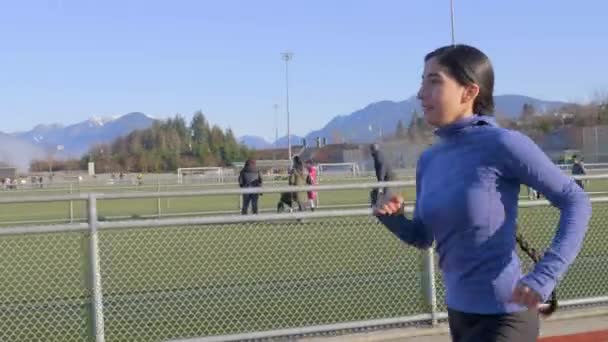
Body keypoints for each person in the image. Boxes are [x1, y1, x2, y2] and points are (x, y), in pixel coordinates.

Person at [374, 45, 592, 342]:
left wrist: (546, 275)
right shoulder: (430, 160)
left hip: (506, 316)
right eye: (422, 80)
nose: (421, 93)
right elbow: (423, 236)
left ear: (469, 92)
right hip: (460, 315)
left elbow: (576, 201)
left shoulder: (504, 143)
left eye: (434, 81)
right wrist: (393, 218)